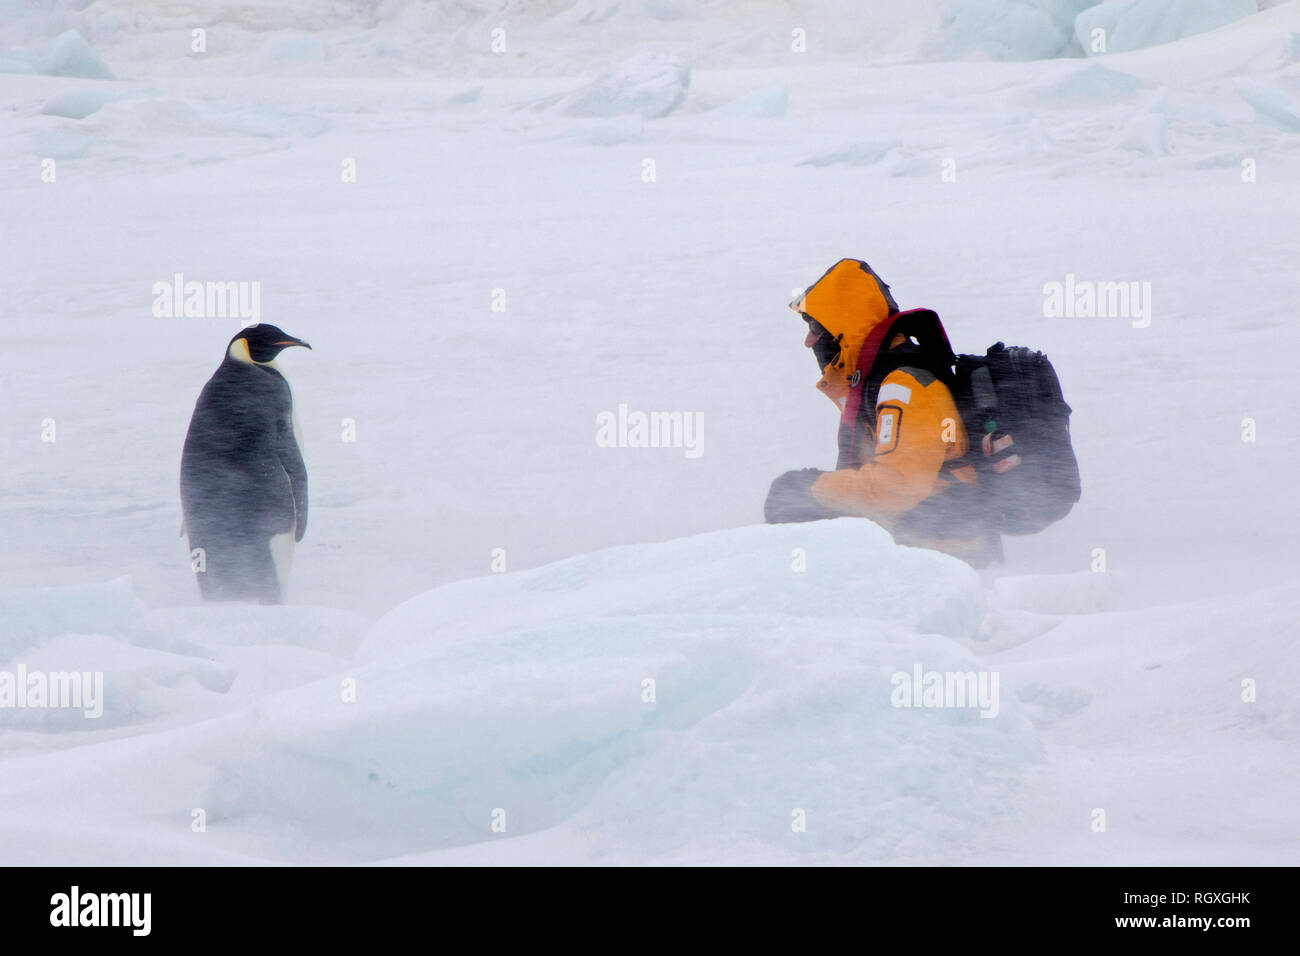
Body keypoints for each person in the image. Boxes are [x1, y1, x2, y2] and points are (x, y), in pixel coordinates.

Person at [764, 258, 1002, 567]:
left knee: (793, 499)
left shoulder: (903, 386)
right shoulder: (880, 381)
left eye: (815, 327)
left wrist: (810, 487)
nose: (809, 340)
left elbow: (895, 489)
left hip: (948, 552)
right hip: (933, 538)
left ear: (842, 327)